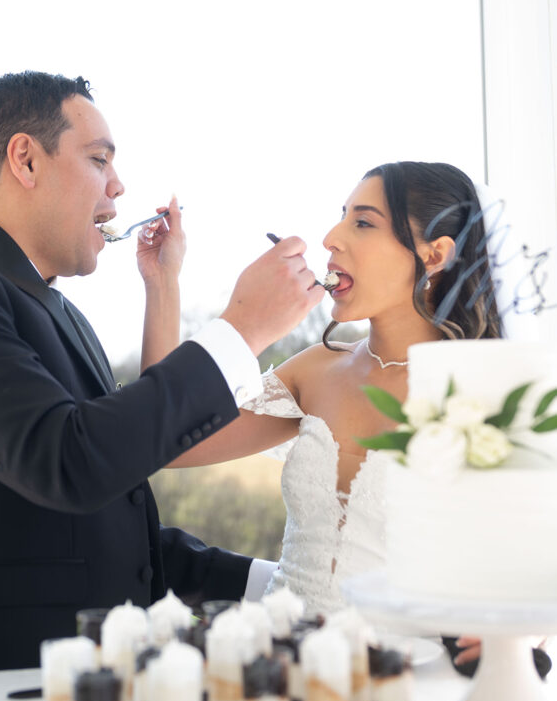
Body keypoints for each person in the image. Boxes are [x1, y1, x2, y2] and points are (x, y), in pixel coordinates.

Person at [0, 71, 324, 676]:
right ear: (25, 160)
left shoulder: (61, 311)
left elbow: (109, 516)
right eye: (98, 159)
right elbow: (70, 462)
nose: (119, 185)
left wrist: (276, 584)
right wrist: (242, 330)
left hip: (81, 691)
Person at [160, 161, 504, 618]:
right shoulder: (319, 369)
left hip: (409, 672)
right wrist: (164, 281)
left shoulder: (486, 392)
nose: (330, 238)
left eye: (362, 222)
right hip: (287, 661)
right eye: (342, 216)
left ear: (435, 255)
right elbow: (166, 437)